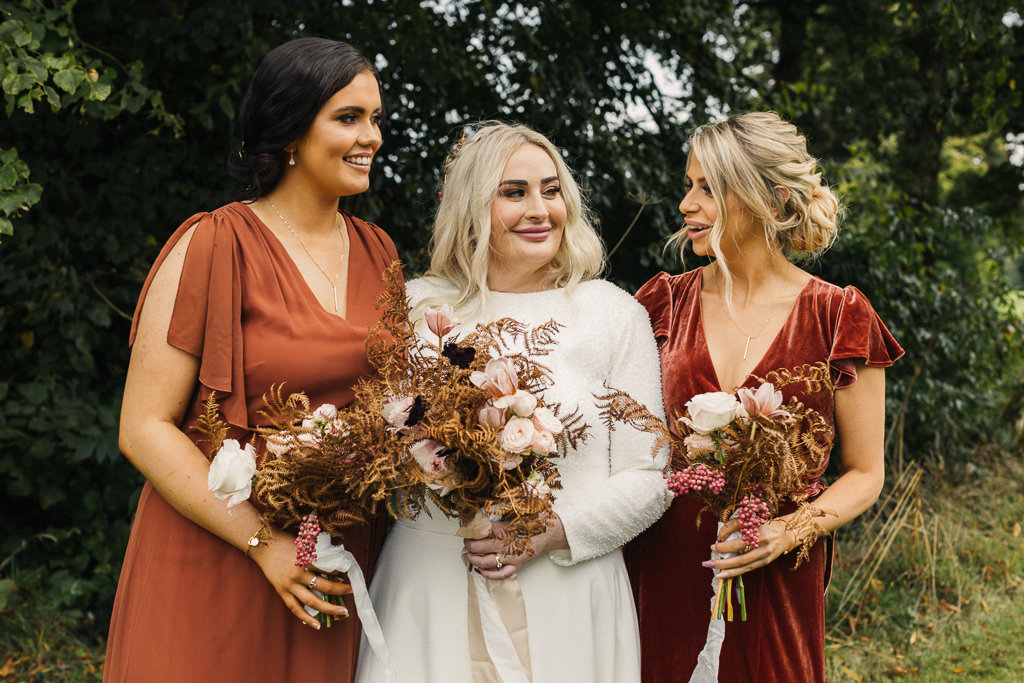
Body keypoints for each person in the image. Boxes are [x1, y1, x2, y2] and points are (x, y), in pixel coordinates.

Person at [104, 38, 398, 682]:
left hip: (330, 564)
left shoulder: (381, 255)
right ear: (290, 129)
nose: (371, 136)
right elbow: (144, 427)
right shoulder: (212, 244)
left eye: (375, 118)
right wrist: (263, 544)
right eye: (348, 118)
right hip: (219, 550)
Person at [355, 122, 672, 683]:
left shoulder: (610, 313)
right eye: (514, 192)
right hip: (430, 586)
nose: (540, 210)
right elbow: (377, 437)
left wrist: (549, 531)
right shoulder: (414, 306)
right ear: (472, 206)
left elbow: (649, 475)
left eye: (551, 191)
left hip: (568, 593)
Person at [626, 111, 904, 682]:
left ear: (768, 200)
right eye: (688, 185)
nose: (686, 204)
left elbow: (866, 473)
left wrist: (787, 532)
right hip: (664, 565)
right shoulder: (660, 305)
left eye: (708, 187)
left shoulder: (838, 316)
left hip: (775, 574)